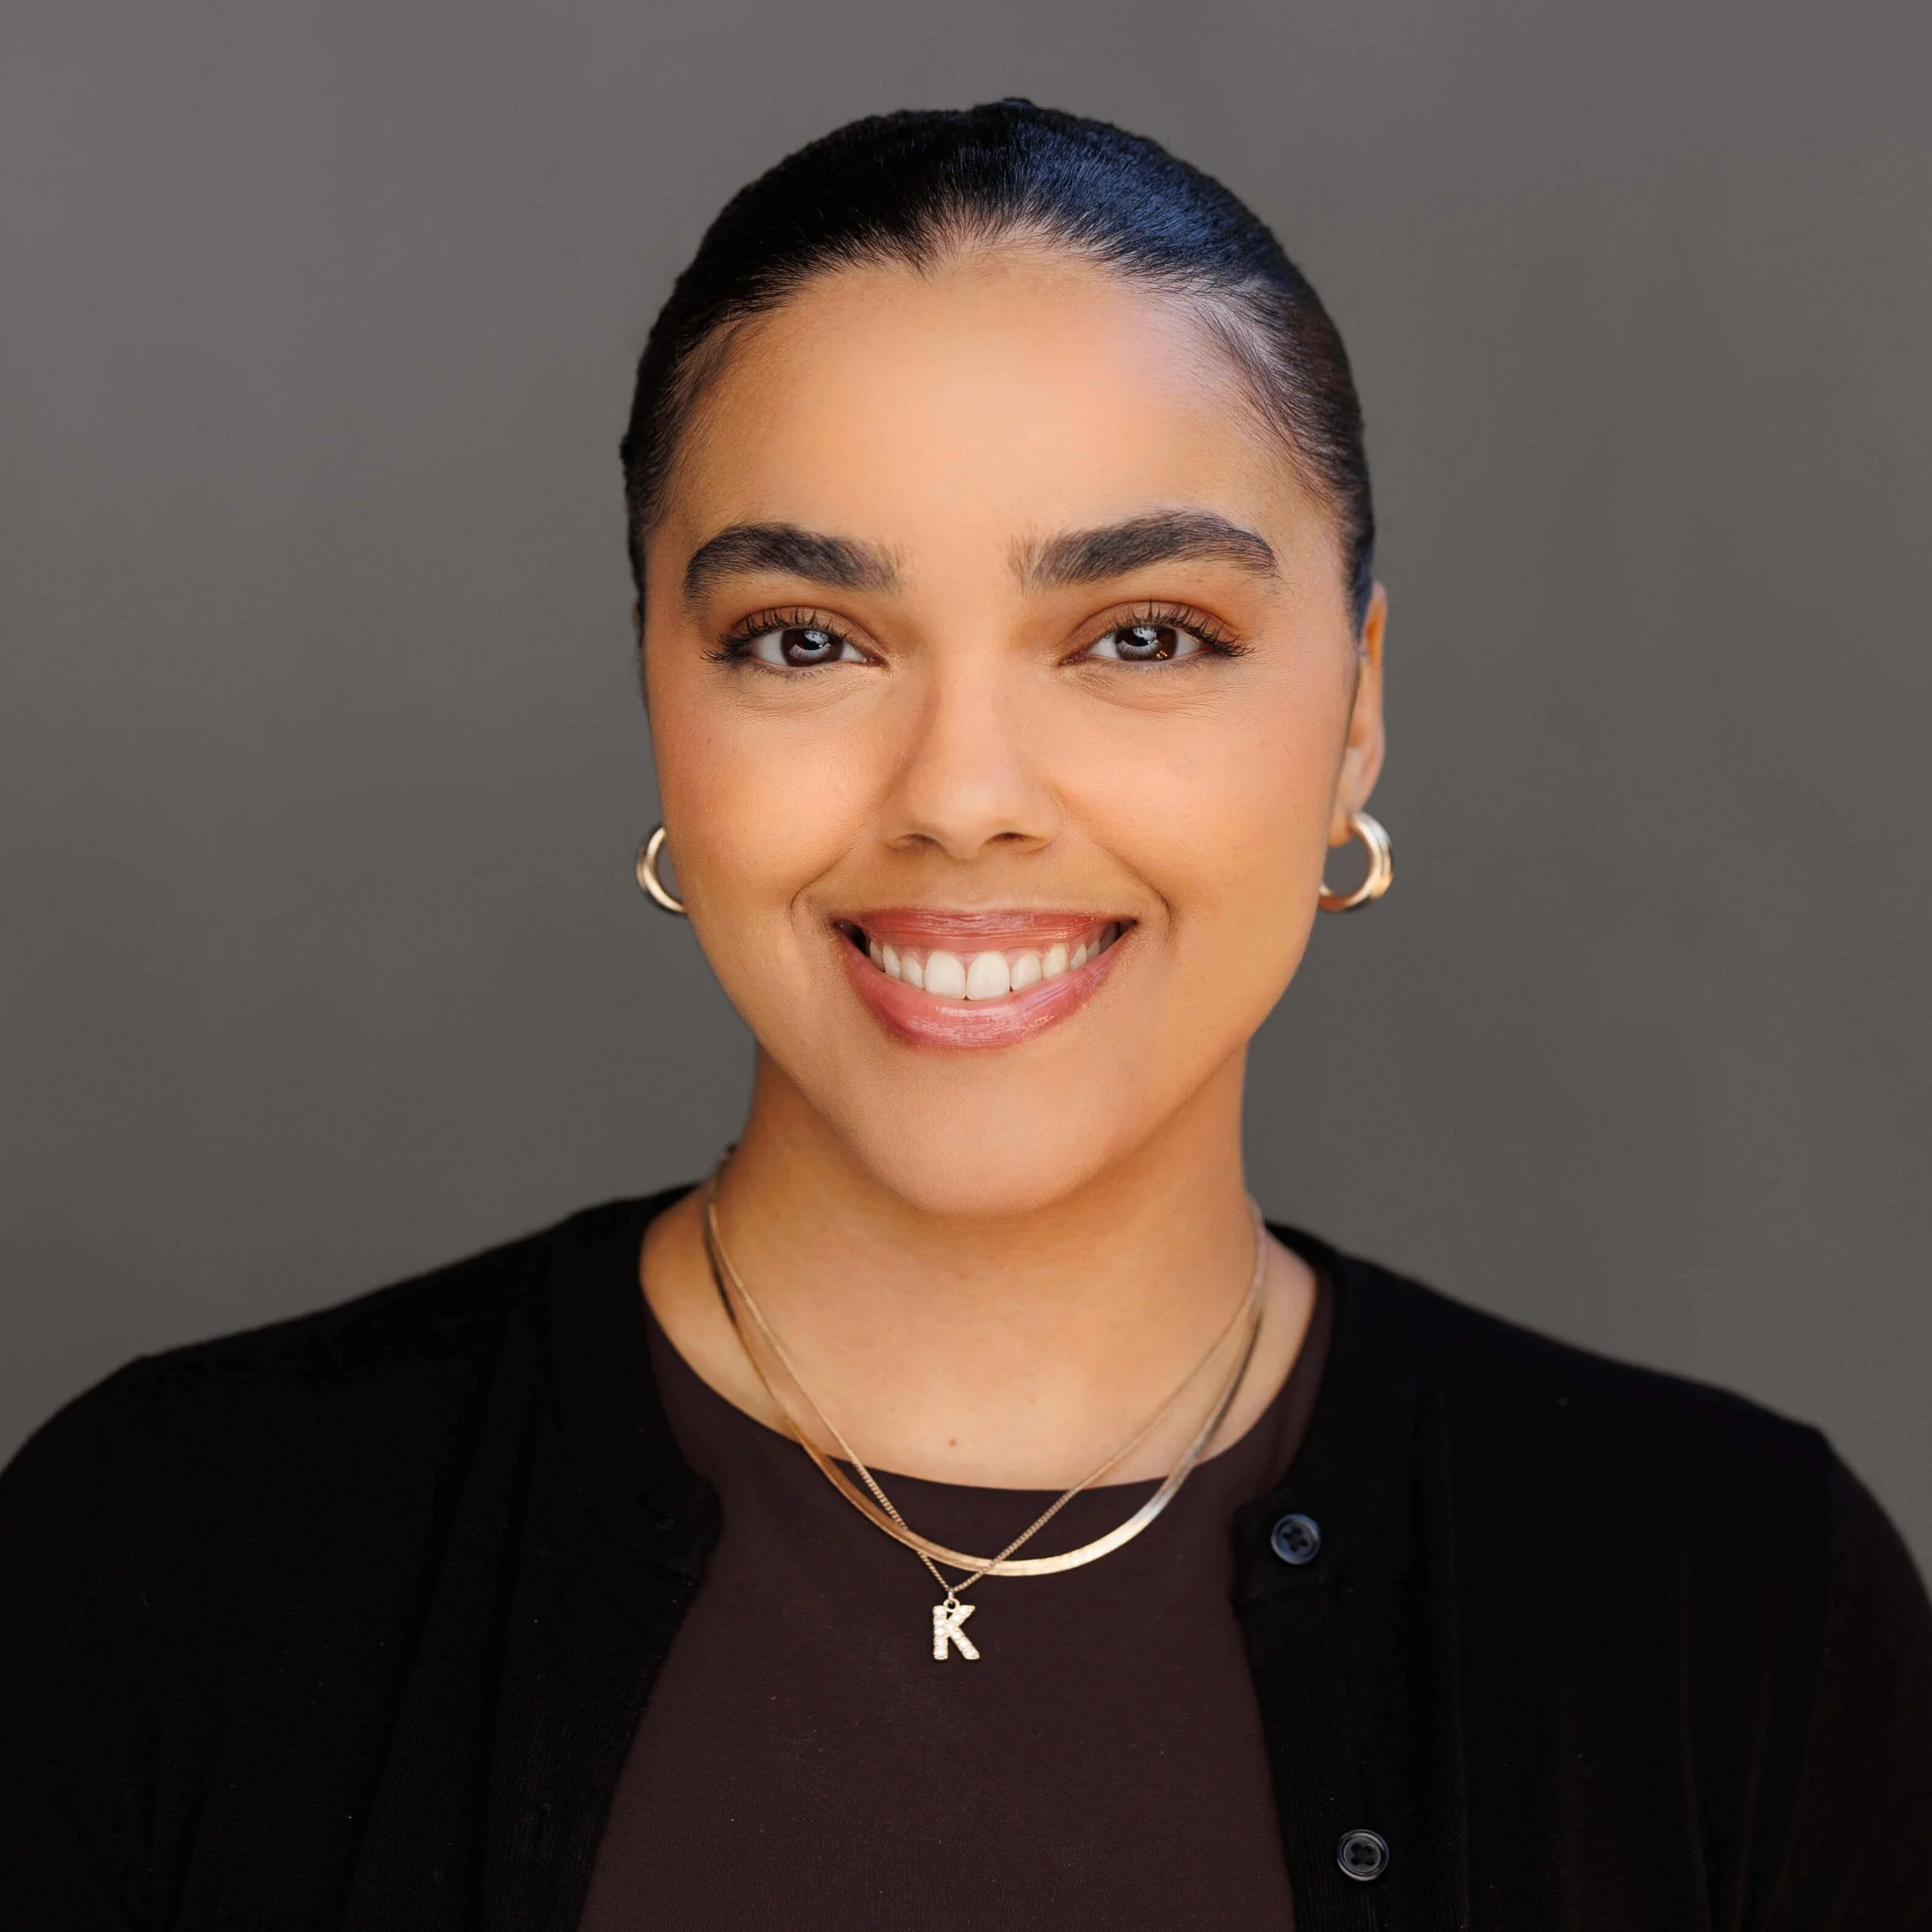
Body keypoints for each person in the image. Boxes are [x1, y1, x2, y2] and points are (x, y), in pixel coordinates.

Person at [2, 100, 1928, 1931]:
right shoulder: (162, 1556)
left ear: (1354, 705)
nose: (960, 792)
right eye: (808, 639)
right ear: (661, 694)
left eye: (1141, 635)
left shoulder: (1730, 1607)